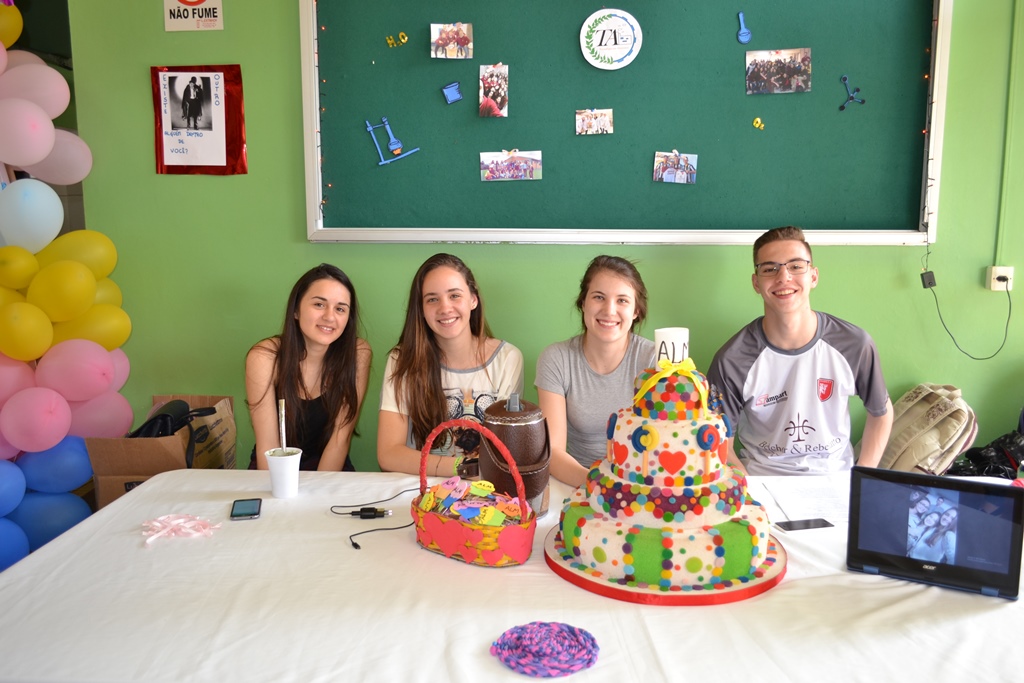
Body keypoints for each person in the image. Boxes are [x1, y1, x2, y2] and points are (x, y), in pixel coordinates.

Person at [707, 226, 893, 475]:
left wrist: (863, 479)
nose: (783, 277)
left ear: (813, 277)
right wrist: (749, 489)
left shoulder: (854, 344)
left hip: (836, 481)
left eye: (796, 266)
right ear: (756, 283)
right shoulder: (731, 359)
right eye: (770, 269)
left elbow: (881, 412)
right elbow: (720, 443)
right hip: (764, 482)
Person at [377, 253, 524, 476]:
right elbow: (389, 455)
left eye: (454, 295)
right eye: (432, 299)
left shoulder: (508, 359)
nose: (445, 308)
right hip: (421, 489)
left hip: (483, 488)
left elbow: (503, 450)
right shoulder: (402, 360)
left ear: (473, 299)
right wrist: (461, 468)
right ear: (421, 309)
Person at [535, 256, 656, 487]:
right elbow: (553, 452)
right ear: (583, 303)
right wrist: (602, 487)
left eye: (622, 300)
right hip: (578, 483)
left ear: (636, 311)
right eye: (599, 297)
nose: (609, 310)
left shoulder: (656, 360)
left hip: (644, 488)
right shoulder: (556, 358)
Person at [246, 264, 372, 471]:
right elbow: (267, 444)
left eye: (340, 309)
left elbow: (340, 440)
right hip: (276, 465)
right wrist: (282, 488)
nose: (329, 317)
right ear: (296, 310)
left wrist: (320, 489)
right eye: (319, 304)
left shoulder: (358, 353)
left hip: (330, 467)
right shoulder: (264, 357)